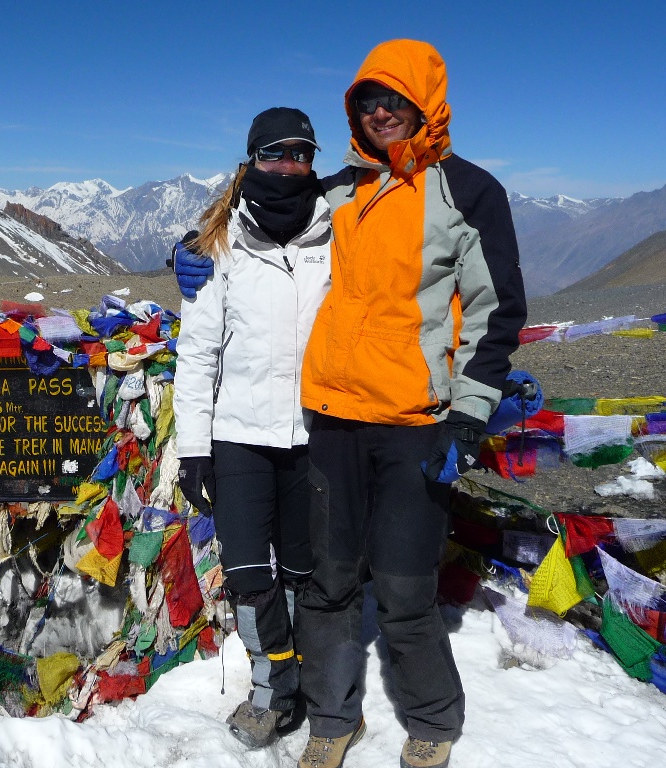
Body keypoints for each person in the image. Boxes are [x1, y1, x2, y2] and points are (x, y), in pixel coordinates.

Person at [293, 40, 527, 768]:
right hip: (332, 416)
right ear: (354, 110)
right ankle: (333, 716)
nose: (382, 112)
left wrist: (471, 409)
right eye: (369, 100)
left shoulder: (469, 190)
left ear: (427, 104)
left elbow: (498, 309)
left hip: (416, 424)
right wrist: (191, 248)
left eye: (397, 100)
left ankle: (433, 718)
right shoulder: (336, 189)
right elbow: (257, 220)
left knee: (402, 584)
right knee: (328, 579)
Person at [173, 107, 332, 749]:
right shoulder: (220, 245)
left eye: (301, 153)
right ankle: (271, 688)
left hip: (316, 435)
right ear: (252, 160)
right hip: (238, 436)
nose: (289, 165)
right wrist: (193, 450)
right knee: (246, 571)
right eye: (275, 153)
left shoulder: (337, 235)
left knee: (302, 569)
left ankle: (304, 678)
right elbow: (199, 351)